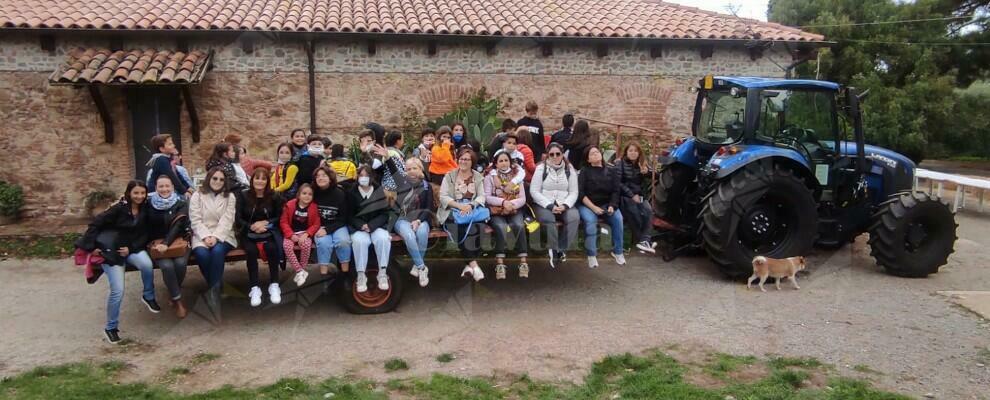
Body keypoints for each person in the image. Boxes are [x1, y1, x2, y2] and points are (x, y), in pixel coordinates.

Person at [76, 180, 157, 344]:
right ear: (129, 193)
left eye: (142, 193)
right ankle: (111, 327)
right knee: (118, 291)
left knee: (147, 265)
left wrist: (132, 248)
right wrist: (92, 247)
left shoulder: (145, 209)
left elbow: (145, 234)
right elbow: (95, 224)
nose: (139, 196)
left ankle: (148, 295)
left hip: (131, 249)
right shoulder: (118, 209)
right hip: (112, 252)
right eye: (136, 193)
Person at [189, 167, 238, 314]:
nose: (218, 181)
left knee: (217, 252)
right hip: (201, 234)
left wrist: (216, 237)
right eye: (215, 178)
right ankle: (216, 285)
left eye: (221, 179)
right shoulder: (197, 195)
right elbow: (195, 219)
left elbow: (228, 220)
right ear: (209, 178)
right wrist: (205, 236)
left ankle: (213, 294)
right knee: (202, 254)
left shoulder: (230, 197)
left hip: (224, 234)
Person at [236, 168, 285, 307]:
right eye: (257, 178)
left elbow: (279, 216)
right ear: (252, 180)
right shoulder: (244, 195)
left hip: (268, 231)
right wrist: (251, 226)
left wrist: (267, 223)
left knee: (272, 248)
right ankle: (254, 287)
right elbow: (238, 218)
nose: (260, 181)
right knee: (251, 251)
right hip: (248, 231)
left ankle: (274, 284)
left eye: (263, 178)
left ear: (267, 181)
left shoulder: (274, 196)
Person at [438, 147, 488, 281]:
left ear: (472, 162)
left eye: (467, 159)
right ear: (457, 160)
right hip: (452, 210)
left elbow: (482, 196)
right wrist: (460, 206)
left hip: (472, 210)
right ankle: (474, 265)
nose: (464, 161)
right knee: (459, 228)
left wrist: (471, 205)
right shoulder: (449, 176)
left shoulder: (477, 177)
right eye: (461, 159)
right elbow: (443, 196)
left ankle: (468, 266)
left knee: (479, 229)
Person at [384, 154, 433, 287]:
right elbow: (393, 170)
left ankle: (417, 266)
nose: (411, 171)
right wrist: (387, 157)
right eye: (408, 169)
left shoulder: (426, 186)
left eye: (414, 168)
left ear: (420, 169)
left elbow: (428, 208)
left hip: (421, 218)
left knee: (422, 232)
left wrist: (418, 220)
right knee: (410, 235)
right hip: (402, 219)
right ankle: (422, 267)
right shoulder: (402, 182)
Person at [529, 142, 580, 268]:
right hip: (544, 203)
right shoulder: (541, 169)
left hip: (564, 202)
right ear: (547, 155)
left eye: (558, 154)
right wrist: (550, 206)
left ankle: (561, 249)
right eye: (552, 154)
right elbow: (534, 191)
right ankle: (553, 249)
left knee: (574, 218)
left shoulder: (569, 169)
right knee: (548, 219)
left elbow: (574, 192)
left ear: (562, 154)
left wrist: (565, 205)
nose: (555, 156)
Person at [146, 174, 190, 319]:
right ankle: (177, 300)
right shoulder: (149, 203)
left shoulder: (181, 202)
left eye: (167, 186)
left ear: (172, 187)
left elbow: (178, 225)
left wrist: (167, 243)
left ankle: (173, 291)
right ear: (156, 188)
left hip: (179, 241)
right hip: (157, 245)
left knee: (180, 263)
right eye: (161, 186)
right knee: (166, 266)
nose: (164, 189)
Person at [578, 146, 626, 268]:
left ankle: (618, 252)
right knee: (591, 221)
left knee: (617, 219)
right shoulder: (584, 171)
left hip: (606, 204)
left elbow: (616, 191)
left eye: (597, 152)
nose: (596, 154)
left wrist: (612, 205)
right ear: (588, 159)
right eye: (592, 154)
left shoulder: (611, 170)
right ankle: (591, 254)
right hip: (588, 204)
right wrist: (593, 208)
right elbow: (581, 193)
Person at [347, 165, 393, 293]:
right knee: (360, 242)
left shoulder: (379, 191)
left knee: (383, 239)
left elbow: (385, 213)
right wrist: (361, 225)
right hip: (358, 227)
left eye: (366, 175)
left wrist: (372, 225)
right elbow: (349, 215)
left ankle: (382, 273)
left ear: (372, 177)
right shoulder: (351, 192)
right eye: (361, 175)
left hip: (376, 225)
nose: (363, 178)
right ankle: (361, 275)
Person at [484, 152, 529, 279]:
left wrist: (511, 205)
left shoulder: (517, 177)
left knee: (519, 225)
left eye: (506, 160)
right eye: (501, 161)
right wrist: (503, 202)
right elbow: (487, 197)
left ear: (510, 162)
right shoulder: (489, 178)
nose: (504, 163)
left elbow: (522, 198)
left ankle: (523, 262)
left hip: (514, 209)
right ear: (496, 164)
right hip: (496, 210)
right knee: (500, 226)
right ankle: (500, 263)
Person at [312, 166, 352, 277]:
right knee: (323, 242)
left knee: (343, 241)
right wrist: (319, 229)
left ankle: (345, 275)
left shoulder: (339, 193)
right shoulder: (313, 193)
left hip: (338, 225)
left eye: (324, 175)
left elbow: (343, 218)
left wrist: (328, 229)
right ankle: (323, 276)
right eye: (318, 176)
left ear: (330, 178)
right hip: (319, 226)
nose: (320, 178)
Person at [617, 143, 657, 254]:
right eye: (630, 150)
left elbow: (656, 175)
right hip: (625, 196)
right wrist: (631, 195)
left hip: (639, 195)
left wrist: (647, 172)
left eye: (635, 151)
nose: (633, 153)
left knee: (648, 211)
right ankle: (643, 241)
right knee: (635, 214)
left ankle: (645, 240)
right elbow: (619, 183)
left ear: (639, 153)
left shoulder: (642, 163)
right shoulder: (620, 163)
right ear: (626, 152)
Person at [280, 183, 320, 287]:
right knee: (287, 246)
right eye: (304, 193)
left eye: (310, 194)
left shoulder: (314, 207)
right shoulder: (290, 205)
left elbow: (316, 224)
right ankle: (299, 271)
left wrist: (307, 234)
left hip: (304, 233)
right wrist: (290, 234)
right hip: (291, 232)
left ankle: (302, 269)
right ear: (298, 195)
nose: (307, 196)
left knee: (306, 245)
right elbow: (283, 222)